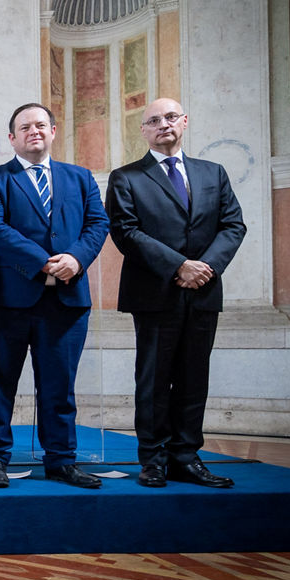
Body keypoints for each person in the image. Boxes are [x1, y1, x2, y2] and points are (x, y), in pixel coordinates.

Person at [0, 103, 109, 489]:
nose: (35, 131)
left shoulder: (80, 178)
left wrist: (77, 258)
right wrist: (46, 262)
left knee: (59, 386)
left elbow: (99, 223)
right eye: (25, 127)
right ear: (12, 137)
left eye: (41, 125)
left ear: (53, 131)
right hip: (2, 302)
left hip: (65, 301)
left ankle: (61, 460)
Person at [107, 97, 246, 488]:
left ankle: (186, 456)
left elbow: (233, 225)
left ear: (184, 121)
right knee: (153, 379)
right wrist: (178, 267)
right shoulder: (126, 177)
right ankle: (152, 459)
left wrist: (205, 268)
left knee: (193, 378)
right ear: (143, 131)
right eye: (154, 120)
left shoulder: (213, 173)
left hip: (203, 290)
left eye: (170, 117)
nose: (163, 124)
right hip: (154, 292)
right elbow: (126, 232)